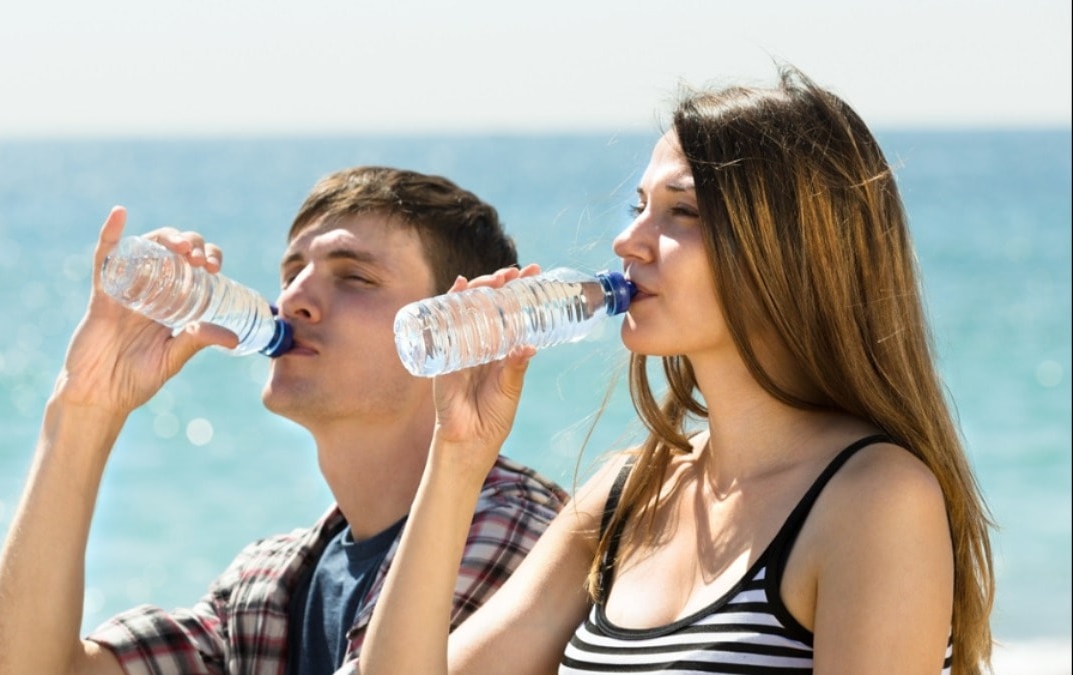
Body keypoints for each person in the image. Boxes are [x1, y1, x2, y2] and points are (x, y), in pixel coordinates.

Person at [353, 68, 995, 675]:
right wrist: (458, 456)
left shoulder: (875, 497)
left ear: (791, 248)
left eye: (680, 211)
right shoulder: (629, 494)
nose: (628, 240)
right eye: (639, 206)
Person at [0, 166, 569, 674]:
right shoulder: (271, 580)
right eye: (291, 274)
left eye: (355, 277)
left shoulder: (517, 531)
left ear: (458, 332)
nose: (294, 300)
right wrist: (82, 412)